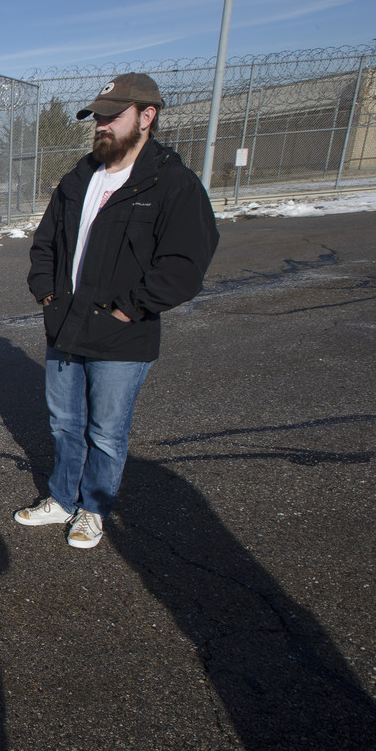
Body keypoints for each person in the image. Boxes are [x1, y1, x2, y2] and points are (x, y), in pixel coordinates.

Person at [18, 73, 219, 549]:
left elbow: (185, 264)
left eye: (112, 116)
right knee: (64, 425)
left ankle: (93, 510)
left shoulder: (171, 183)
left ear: (147, 117)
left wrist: (129, 311)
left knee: (106, 432)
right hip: (65, 328)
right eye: (98, 117)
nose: (101, 125)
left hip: (121, 337)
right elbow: (46, 243)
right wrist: (46, 293)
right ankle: (62, 500)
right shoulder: (81, 177)